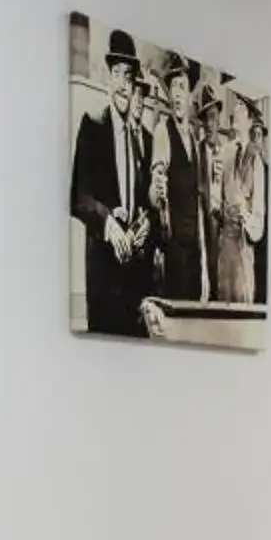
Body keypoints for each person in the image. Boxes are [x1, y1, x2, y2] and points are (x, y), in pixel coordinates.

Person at [68, 30, 155, 336]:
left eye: (128, 77)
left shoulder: (138, 139)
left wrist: (147, 223)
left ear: (133, 86)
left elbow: (144, 202)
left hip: (135, 278)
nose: (122, 84)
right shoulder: (92, 125)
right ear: (109, 79)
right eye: (116, 74)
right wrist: (108, 222)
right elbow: (78, 197)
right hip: (104, 275)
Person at [149, 55, 211, 307]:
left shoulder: (196, 143)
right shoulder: (163, 131)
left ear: (189, 97)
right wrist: (157, 189)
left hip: (194, 253)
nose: (176, 94)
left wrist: (204, 264)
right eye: (173, 87)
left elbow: (198, 206)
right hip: (173, 250)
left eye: (181, 88)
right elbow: (155, 186)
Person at [207, 89, 265, 306]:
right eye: (237, 104)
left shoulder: (256, 162)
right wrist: (219, 208)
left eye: (241, 106)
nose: (235, 110)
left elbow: (259, 222)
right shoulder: (223, 153)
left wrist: (245, 217)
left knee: (242, 309)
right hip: (224, 249)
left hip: (244, 248)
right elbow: (213, 202)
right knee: (223, 309)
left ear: (250, 120)